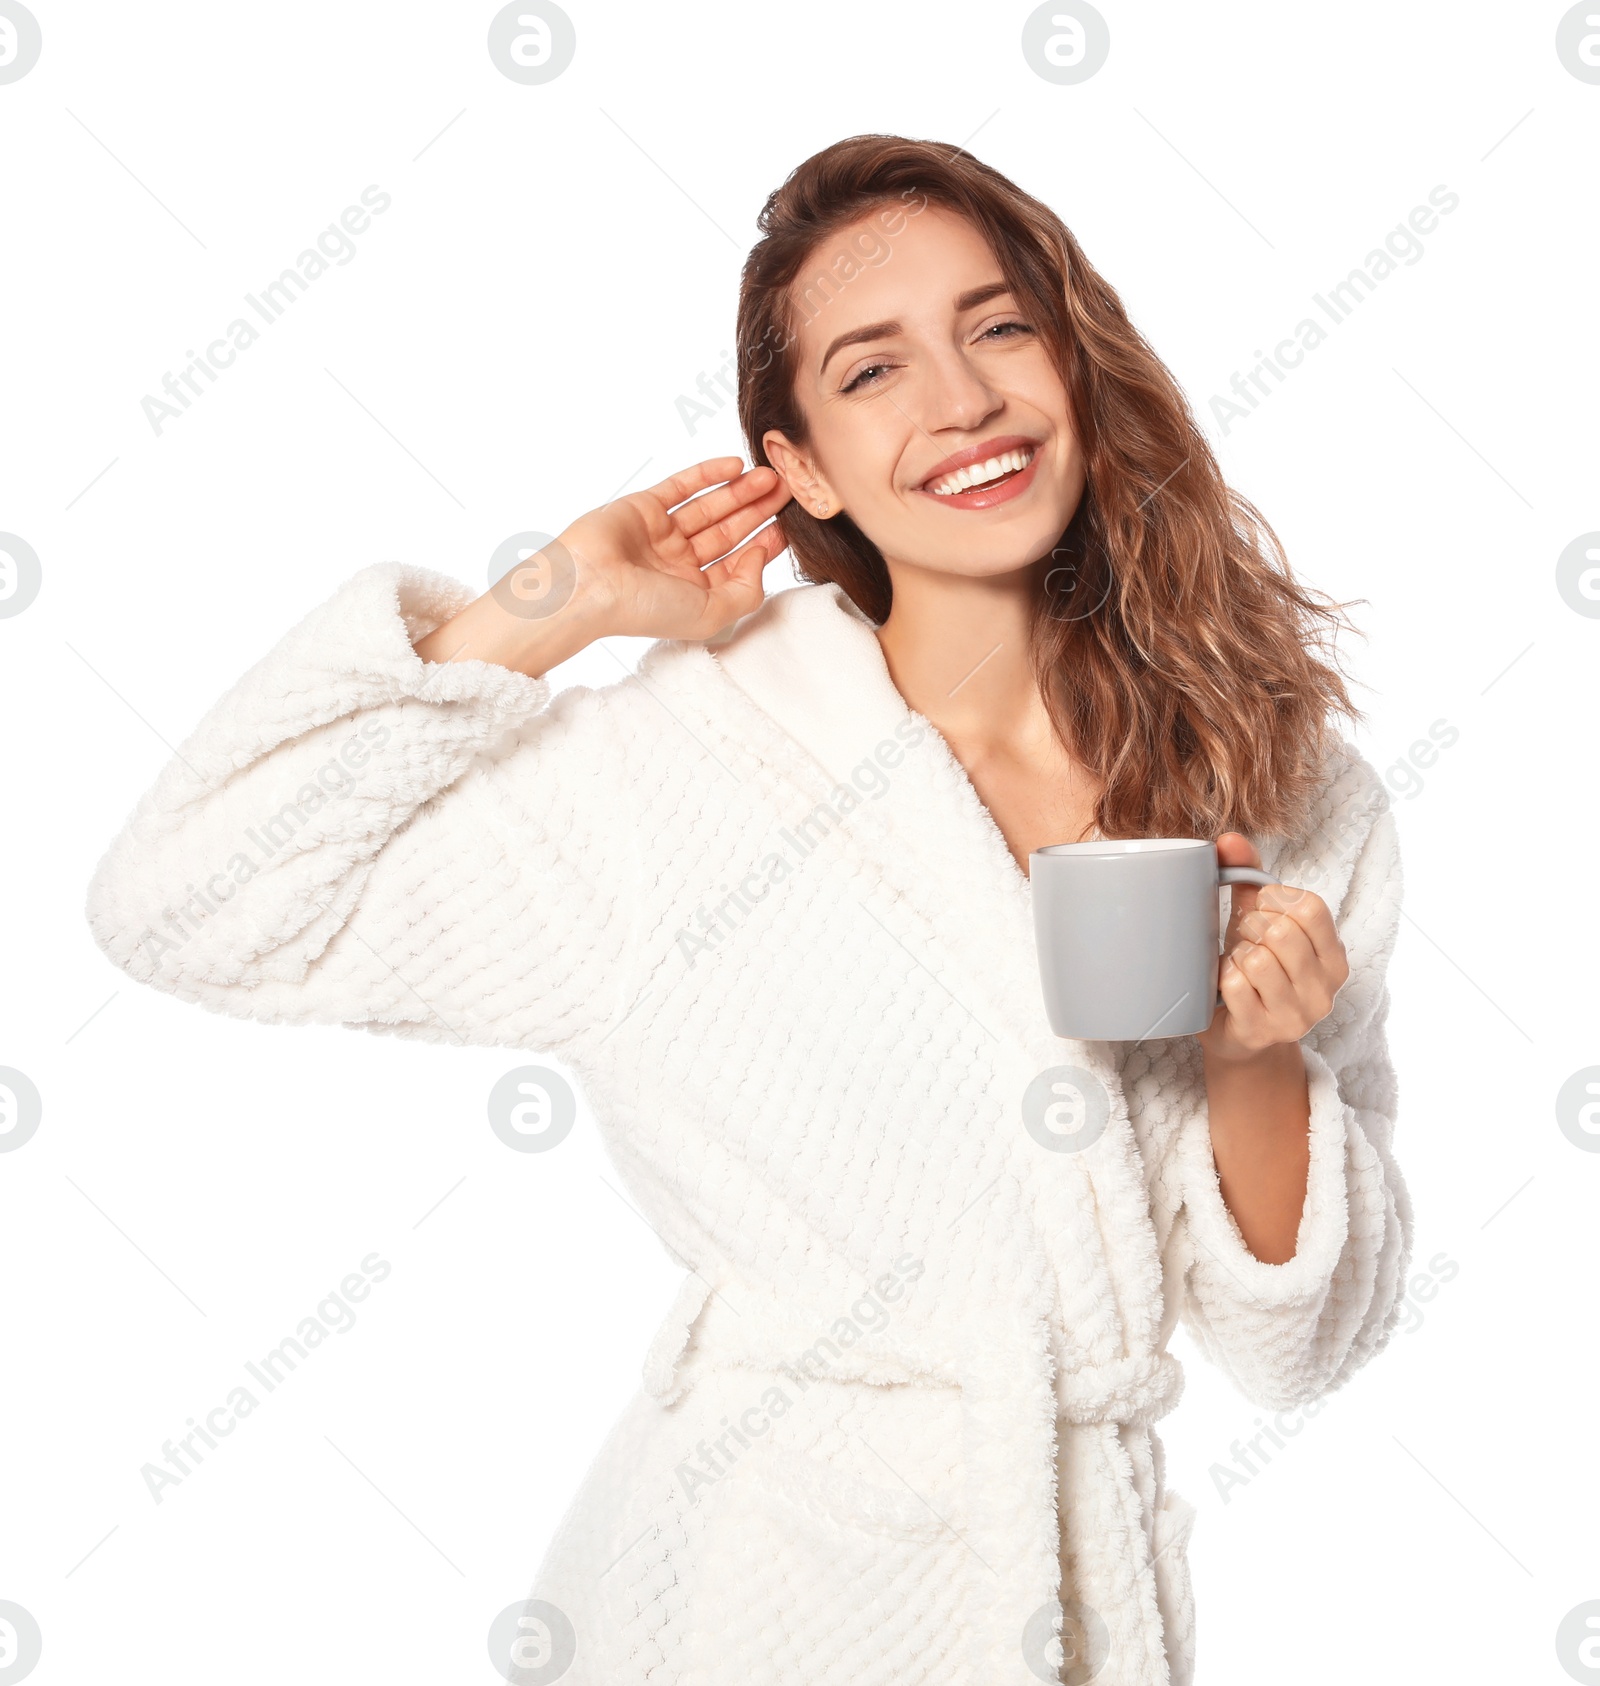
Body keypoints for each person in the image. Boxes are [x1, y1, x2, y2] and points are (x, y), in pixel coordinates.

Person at [85, 134, 1411, 1686]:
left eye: (999, 327)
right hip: (747, 1595)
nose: (964, 400)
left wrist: (1262, 1055)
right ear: (798, 468)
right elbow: (188, 897)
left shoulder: (1279, 777)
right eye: (873, 370)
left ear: (1077, 357)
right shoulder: (691, 768)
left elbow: (1299, 1344)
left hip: (1082, 1604)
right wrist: (550, 603)